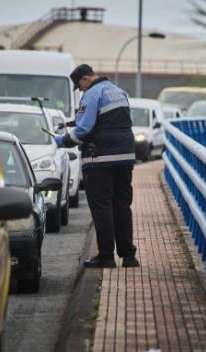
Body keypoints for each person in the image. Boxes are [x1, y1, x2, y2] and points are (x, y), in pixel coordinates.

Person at [54, 64, 140, 268]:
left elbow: (83, 130)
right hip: (125, 156)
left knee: (102, 207)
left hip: (100, 158)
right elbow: (108, 121)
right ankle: (129, 256)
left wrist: (63, 140)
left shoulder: (92, 94)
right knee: (122, 205)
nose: (81, 90)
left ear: (85, 79)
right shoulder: (119, 92)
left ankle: (106, 256)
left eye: (80, 86)